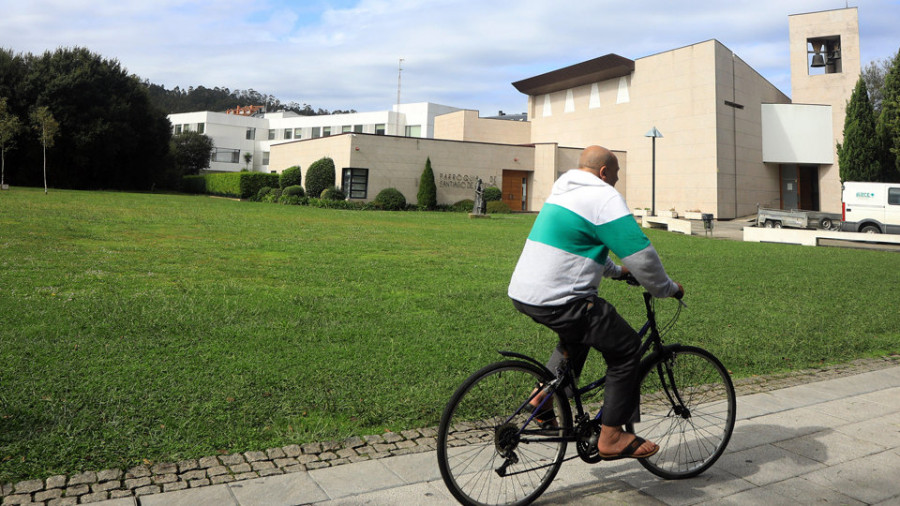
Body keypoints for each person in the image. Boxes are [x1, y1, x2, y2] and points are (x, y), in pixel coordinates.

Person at [508, 145, 683, 460]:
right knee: (627, 348)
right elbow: (641, 254)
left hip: (525, 293)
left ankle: (542, 399)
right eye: (616, 175)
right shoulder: (603, 196)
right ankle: (612, 437)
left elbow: (580, 243)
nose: (616, 182)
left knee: (580, 336)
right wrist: (667, 288)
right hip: (559, 299)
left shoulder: (562, 190)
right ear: (604, 172)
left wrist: (616, 272)